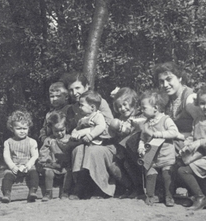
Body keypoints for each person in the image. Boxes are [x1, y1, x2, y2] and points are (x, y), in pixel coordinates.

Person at [61, 72, 119, 200]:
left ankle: (100, 188)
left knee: (93, 151)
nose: (74, 92)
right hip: (84, 143)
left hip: (104, 144)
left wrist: (87, 132)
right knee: (78, 150)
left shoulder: (97, 102)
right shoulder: (73, 108)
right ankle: (80, 186)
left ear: (86, 87)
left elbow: (110, 129)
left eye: (77, 88)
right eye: (71, 90)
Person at [138, 90, 181, 207]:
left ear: (155, 108)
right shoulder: (146, 124)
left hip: (166, 156)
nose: (142, 111)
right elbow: (142, 138)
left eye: (144, 108)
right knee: (150, 174)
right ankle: (150, 196)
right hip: (152, 158)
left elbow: (174, 132)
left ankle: (169, 196)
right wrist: (141, 147)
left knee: (168, 175)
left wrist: (160, 134)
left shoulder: (165, 120)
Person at [108, 87, 145, 198]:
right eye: (119, 106)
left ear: (133, 102)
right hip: (124, 152)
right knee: (114, 167)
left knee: (129, 165)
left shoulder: (140, 115)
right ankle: (130, 187)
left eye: (125, 104)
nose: (122, 109)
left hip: (136, 150)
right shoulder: (121, 119)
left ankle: (139, 188)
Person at [153, 62, 201, 149]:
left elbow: (205, 128)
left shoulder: (190, 99)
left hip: (192, 146)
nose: (165, 85)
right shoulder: (167, 99)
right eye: (161, 81)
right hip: (175, 143)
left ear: (179, 78)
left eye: (169, 79)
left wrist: (180, 136)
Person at [1, 110, 39, 203]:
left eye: (24, 128)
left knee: (34, 174)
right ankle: (7, 194)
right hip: (14, 166)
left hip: (27, 166)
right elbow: (6, 156)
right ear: (12, 128)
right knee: (7, 177)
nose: (22, 131)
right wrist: (12, 166)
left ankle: (32, 191)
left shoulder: (32, 142)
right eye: (18, 128)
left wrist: (28, 165)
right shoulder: (8, 142)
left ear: (28, 128)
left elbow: (35, 156)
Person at [37, 111, 71, 200]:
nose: (59, 133)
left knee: (69, 172)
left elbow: (72, 153)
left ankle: (65, 192)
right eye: (56, 131)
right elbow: (43, 153)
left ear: (66, 127)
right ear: (51, 129)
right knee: (48, 172)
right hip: (52, 166)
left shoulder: (70, 139)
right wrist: (48, 161)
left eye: (62, 130)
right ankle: (48, 192)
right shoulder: (49, 140)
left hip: (64, 167)